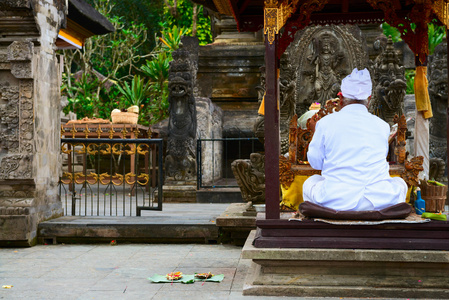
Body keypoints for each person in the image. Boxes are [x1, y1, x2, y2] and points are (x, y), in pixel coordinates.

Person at [302, 68, 408, 211]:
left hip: (336, 200)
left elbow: (316, 163)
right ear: (369, 100)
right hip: (378, 200)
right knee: (399, 182)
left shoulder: (325, 123)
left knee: (311, 182)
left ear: (341, 99)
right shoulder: (382, 126)